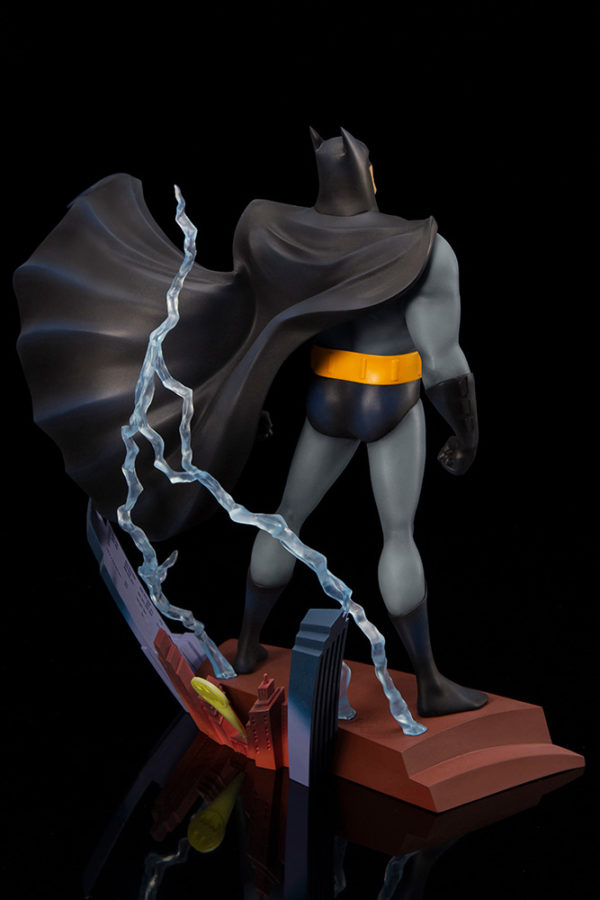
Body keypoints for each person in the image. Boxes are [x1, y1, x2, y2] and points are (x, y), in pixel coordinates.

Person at [234, 128, 487, 717]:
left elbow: (253, 333)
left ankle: (246, 646)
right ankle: (430, 684)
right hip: (391, 399)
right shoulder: (422, 248)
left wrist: (247, 408)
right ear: (370, 176)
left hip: (327, 399)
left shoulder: (288, 239)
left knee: (286, 517)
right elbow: (442, 362)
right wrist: (466, 433)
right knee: (397, 535)